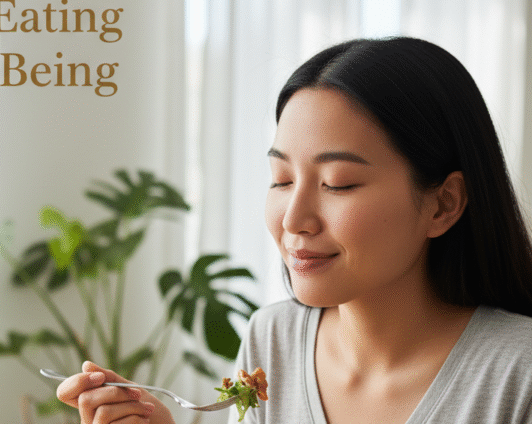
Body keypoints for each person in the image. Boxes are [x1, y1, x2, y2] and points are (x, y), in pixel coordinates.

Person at [55, 37, 532, 423]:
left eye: (338, 184)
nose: (292, 219)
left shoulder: (519, 374)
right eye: (281, 180)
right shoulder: (273, 340)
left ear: (443, 204)